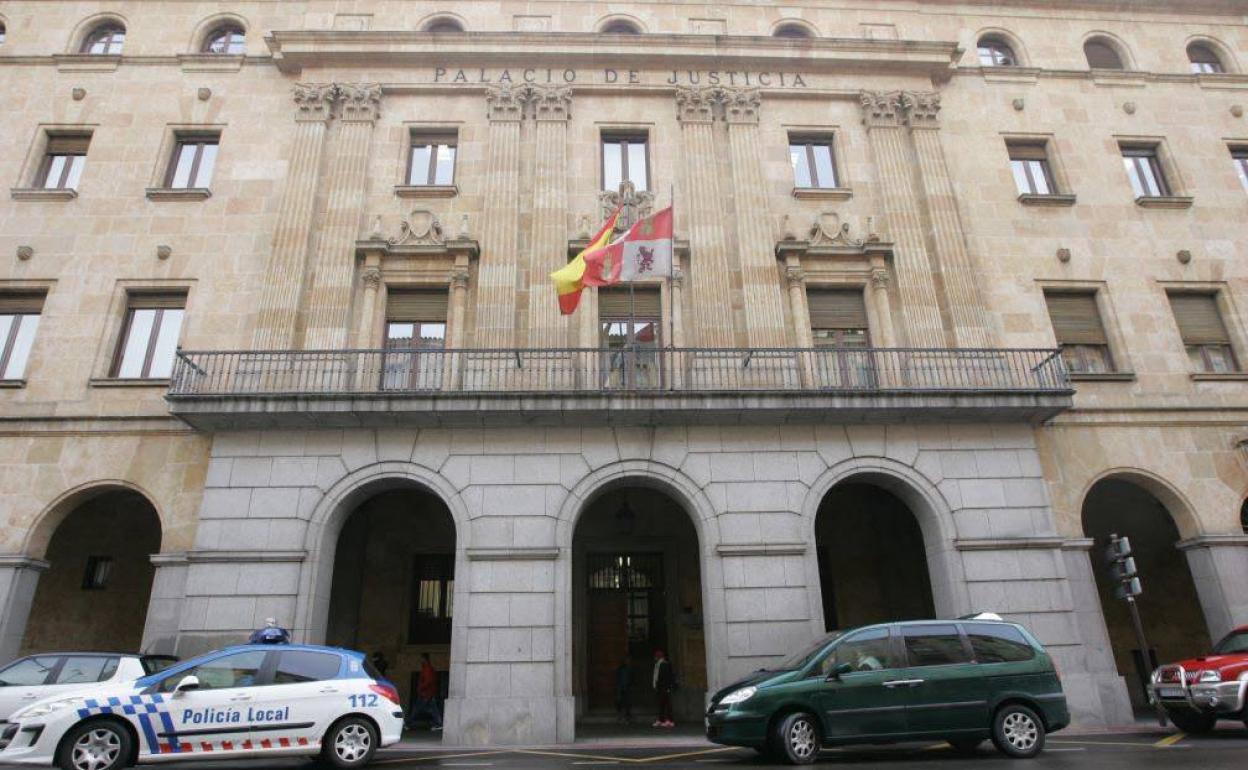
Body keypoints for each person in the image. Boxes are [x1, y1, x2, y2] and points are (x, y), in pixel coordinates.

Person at [405, 653, 443, 732]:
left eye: (421, 659)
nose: (420, 661)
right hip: (428, 693)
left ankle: (407, 723)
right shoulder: (427, 668)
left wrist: (420, 688)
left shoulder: (427, 669)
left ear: (424, 659)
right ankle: (438, 723)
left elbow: (427, 681)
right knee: (432, 709)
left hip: (425, 693)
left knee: (417, 709)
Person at [651, 649, 675, 728]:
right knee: (662, 704)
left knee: (667, 704)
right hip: (661, 687)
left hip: (664, 687)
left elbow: (666, 677)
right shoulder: (658, 664)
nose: (654, 658)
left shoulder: (664, 664)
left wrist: (667, 687)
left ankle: (670, 720)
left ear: (658, 657)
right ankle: (661, 720)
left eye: (655, 656)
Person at [614, 658, 632, 725]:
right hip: (621, 688)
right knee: (620, 702)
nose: (628, 662)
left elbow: (631, 678)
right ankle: (621, 717)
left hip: (626, 688)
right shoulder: (620, 669)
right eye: (627, 661)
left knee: (627, 703)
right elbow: (618, 679)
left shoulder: (629, 669)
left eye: (629, 661)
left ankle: (626, 718)